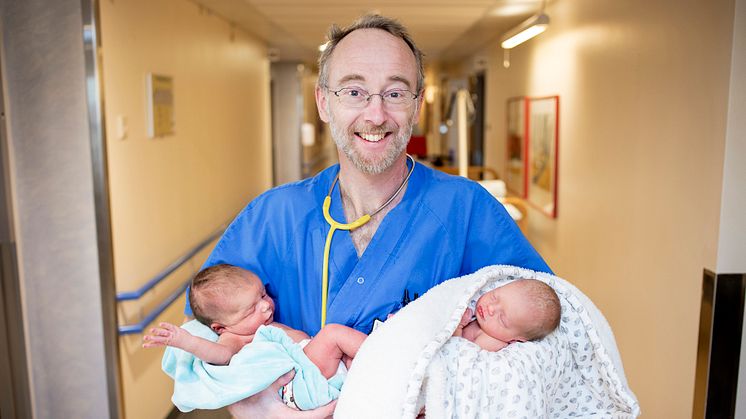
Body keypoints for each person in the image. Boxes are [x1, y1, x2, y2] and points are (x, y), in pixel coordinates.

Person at [190, 14, 552, 417]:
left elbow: (550, 330)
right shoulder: (272, 218)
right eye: (354, 91)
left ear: (416, 105)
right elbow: (203, 333)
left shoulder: (467, 210)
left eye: (395, 93)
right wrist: (252, 405)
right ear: (324, 102)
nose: (376, 115)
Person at [145, 264, 366, 409]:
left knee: (350, 361)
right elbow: (219, 355)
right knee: (333, 334)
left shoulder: (257, 326)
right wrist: (185, 341)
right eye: (251, 310)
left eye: (263, 294)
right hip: (297, 384)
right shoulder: (234, 339)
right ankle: (385, 351)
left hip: (309, 374)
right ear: (221, 328)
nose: (265, 306)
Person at [453, 279, 561, 351]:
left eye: (501, 319)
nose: (490, 308)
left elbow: (458, 355)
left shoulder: (491, 341)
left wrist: (458, 327)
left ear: (514, 339)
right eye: (494, 297)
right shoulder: (486, 326)